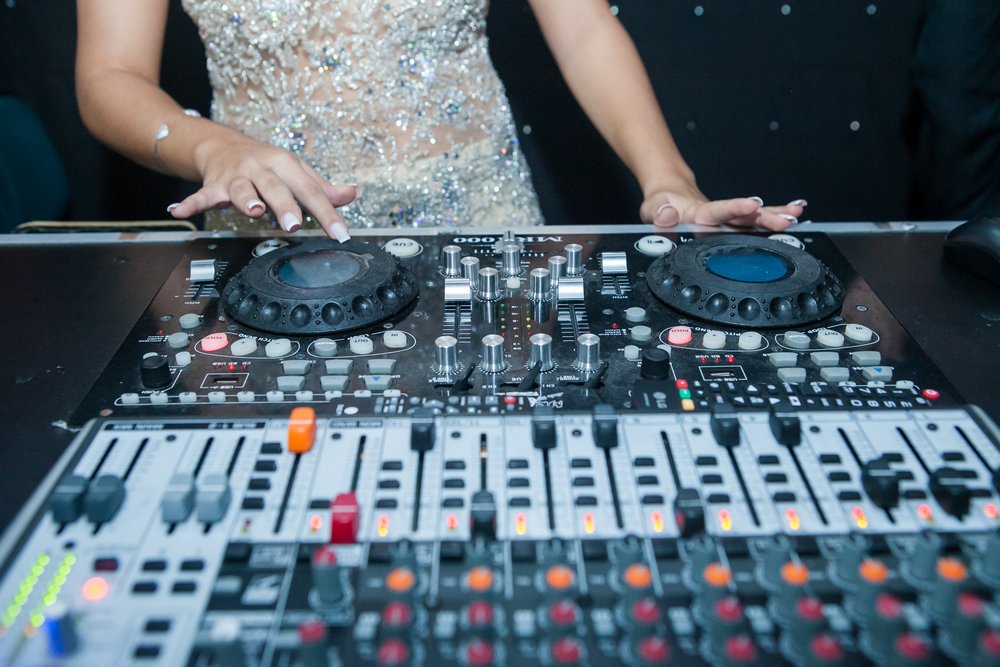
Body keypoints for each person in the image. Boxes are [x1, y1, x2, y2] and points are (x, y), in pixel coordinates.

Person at [76, 0, 804, 242]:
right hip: (269, 235)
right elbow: (110, 74)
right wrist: (212, 146)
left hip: (484, 227)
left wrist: (668, 181)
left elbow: (583, 26)